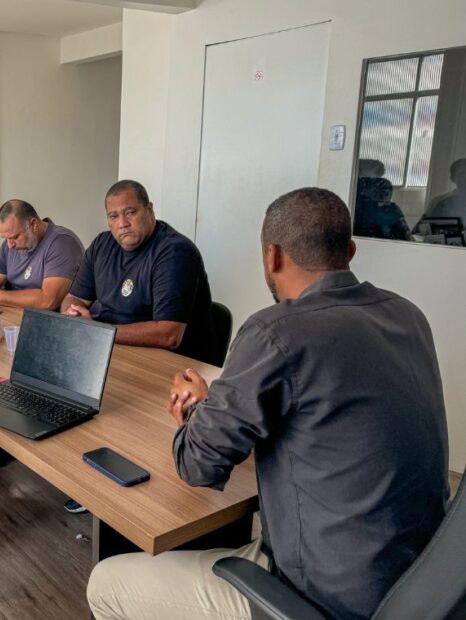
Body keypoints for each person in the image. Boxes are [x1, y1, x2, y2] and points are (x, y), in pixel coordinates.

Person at [87, 187, 449, 620]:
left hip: (321, 596)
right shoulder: (408, 315)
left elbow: (197, 464)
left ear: (272, 257)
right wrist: (223, 400)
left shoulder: (276, 331)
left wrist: (193, 409)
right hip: (418, 578)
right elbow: (323, 413)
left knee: (106, 583)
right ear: (350, 250)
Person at [61, 179, 215, 363]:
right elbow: (75, 298)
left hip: (171, 365)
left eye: (131, 212)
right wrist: (74, 315)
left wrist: (97, 331)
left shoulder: (176, 252)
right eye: (113, 216)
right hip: (112, 350)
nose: (123, 223)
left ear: (149, 209)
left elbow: (169, 335)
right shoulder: (101, 245)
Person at [0, 199, 84, 310]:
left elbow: (49, 300)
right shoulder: (11, 243)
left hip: (47, 322)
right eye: (5, 238)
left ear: (33, 224)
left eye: (15, 237)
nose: (9, 245)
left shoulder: (62, 243)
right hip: (13, 313)